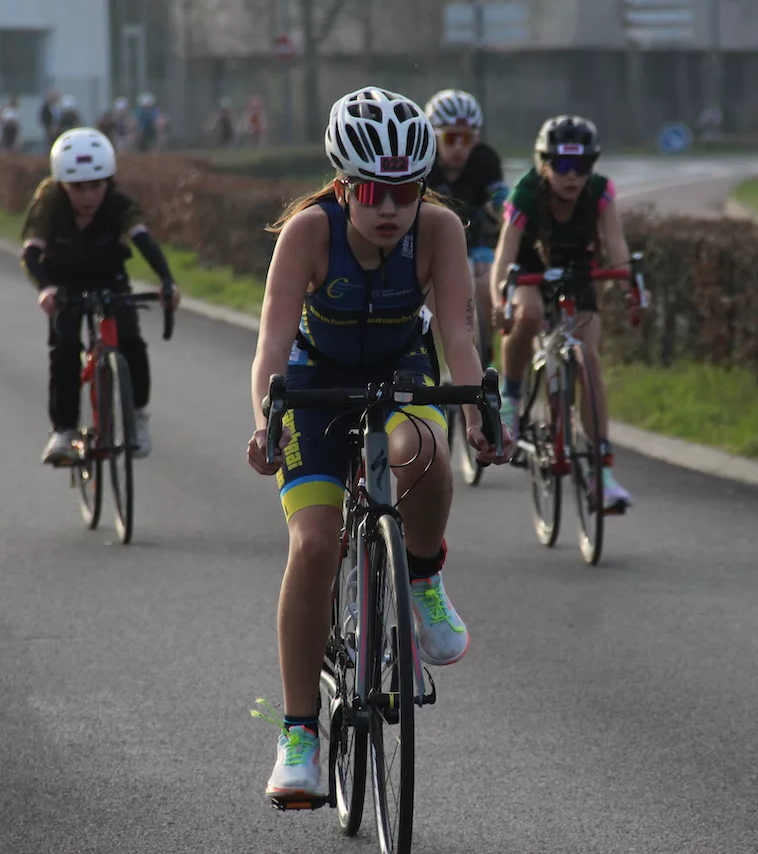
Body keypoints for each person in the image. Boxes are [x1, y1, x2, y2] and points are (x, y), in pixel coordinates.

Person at [246, 86, 514, 805]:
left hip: (401, 370)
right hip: (314, 380)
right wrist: (266, 420)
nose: (390, 208)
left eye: (405, 191)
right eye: (372, 192)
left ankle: (421, 579)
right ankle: (299, 733)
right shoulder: (308, 232)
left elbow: (458, 334)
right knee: (314, 546)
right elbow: (271, 341)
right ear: (343, 187)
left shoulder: (440, 229)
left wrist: (480, 408)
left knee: (423, 448)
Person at [491, 115, 633, 513]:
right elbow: (504, 256)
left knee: (589, 358)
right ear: (544, 165)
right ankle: (511, 399)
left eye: (582, 166)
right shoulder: (525, 193)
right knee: (529, 314)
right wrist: (501, 302)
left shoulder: (601, 192)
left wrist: (630, 287)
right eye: (563, 165)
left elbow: (616, 246)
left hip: (577, 270)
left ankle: (601, 472)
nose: (572, 176)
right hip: (528, 269)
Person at [20, 128, 183, 465]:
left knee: (132, 341)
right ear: (62, 185)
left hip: (108, 274)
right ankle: (63, 430)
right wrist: (45, 288)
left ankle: (138, 418)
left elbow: (144, 242)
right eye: (77, 187)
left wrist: (167, 281)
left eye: (96, 185)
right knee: (65, 347)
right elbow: (31, 253)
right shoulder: (48, 204)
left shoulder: (118, 204)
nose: (88, 195)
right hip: (62, 278)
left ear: (108, 181)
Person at [422, 88, 507, 366]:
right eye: (451, 138)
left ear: (476, 139)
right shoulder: (424, 164)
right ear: (435, 136)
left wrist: (502, 209)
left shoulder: (485, 159)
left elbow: (500, 196)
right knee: (430, 292)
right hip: (436, 243)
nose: (459, 147)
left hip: (477, 239)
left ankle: (486, 352)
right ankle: (439, 354)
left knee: (485, 283)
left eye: (467, 138)